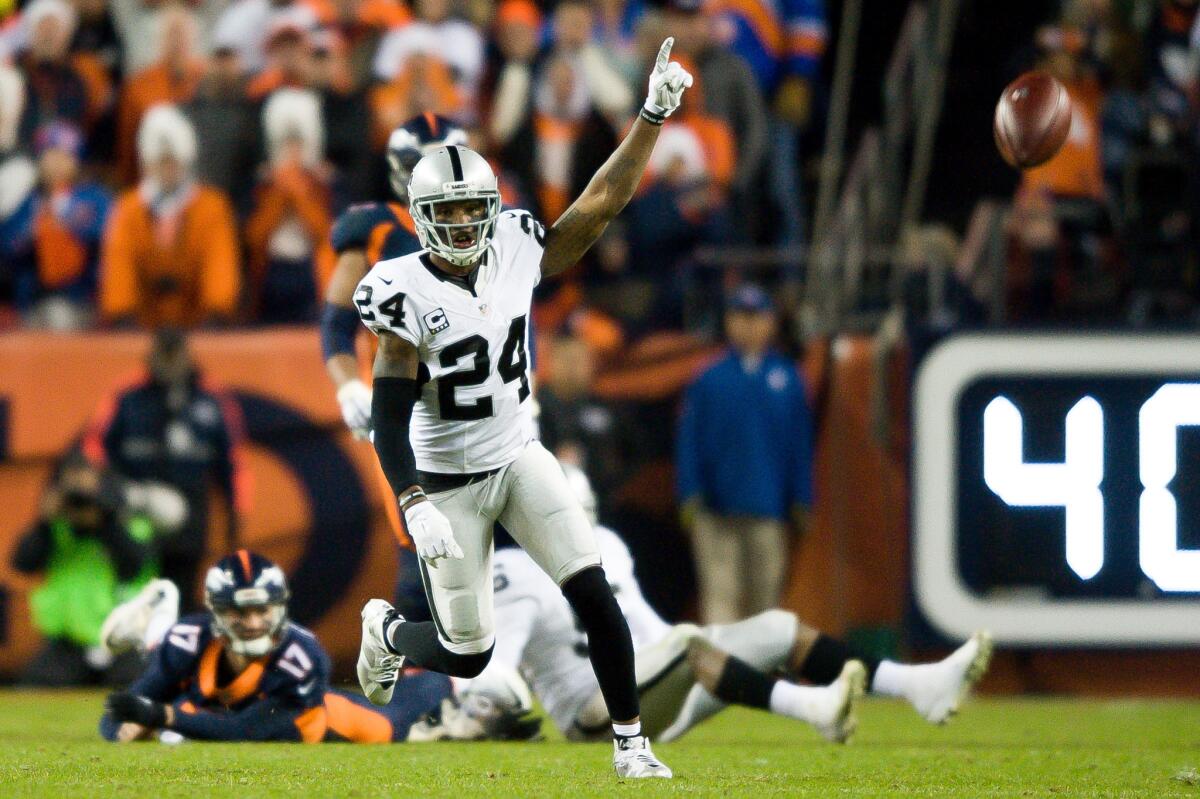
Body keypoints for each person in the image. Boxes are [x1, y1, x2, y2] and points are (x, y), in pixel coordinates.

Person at [352, 38, 693, 780]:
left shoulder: (514, 246)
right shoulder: (400, 288)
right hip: (445, 477)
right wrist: (415, 505)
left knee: (592, 587)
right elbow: (388, 412)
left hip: (516, 454)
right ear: (419, 215)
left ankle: (632, 745)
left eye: (476, 210)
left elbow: (599, 204)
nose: (468, 226)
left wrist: (650, 117)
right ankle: (386, 630)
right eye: (450, 212)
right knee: (468, 652)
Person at [455, 466, 992, 744]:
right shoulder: (513, 572)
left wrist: (718, 650)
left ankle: (915, 686)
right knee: (690, 646)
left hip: (654, 690)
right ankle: (813, 708)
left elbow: (652, 629)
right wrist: (485, 699)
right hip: (593, 714)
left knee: (778, 628)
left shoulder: (610, 549)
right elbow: (493, 667)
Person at [321, 112, 468, 620]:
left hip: (477, 396)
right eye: (418, 166)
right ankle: (422, 678)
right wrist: (348, 388)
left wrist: (527, 389)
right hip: (407, 402)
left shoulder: (493, 223)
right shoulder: (377, 229)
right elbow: (336, 326)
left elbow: (520, 318)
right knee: (420, 535)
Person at [99, 550, 466, 743]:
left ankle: (460, 682)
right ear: (216, 610)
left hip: (315, 723)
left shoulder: (301, 656)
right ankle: (158, 625)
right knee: (179, 721)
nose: (253, 622)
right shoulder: (189, 641)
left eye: (262, 610)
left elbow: (245, 731)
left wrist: (160, 717)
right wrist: (124, 729)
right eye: (238, 611)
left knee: (389, 725)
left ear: (279, 608)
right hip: (217, 711)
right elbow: (114, 716)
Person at [82, 328, 249, 610]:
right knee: (135, 592)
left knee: (180, 593)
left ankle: (176, 650)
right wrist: (111, 494)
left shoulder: (211, 398)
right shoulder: (127, 395)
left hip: (191, 510)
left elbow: (232, 461)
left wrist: (236, 512)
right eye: (164, 356)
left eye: (175, 357)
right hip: (135, 508)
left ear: (187, 356)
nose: (169, 366)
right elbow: (95, 447)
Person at [677, 283, 812, 623]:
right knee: (720, 599)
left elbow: (799, 442)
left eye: (757, 317)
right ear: (728, 322)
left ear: (771, 323)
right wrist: (690, 492)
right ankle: (721, 674)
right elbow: (689, 439)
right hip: (716, 509)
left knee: (766, 602)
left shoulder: (788, 378)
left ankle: (758, 674)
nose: (748, 325)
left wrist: (802, 496)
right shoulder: (709, 378)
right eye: (740, 316)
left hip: (768, 507)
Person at [11, 453, 163, 686]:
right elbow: (22, 564)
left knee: (137, 688)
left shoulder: (133, 526)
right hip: (69, 644)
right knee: (35, 688)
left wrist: (104, 521)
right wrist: (44, 522)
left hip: (125, 642)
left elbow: (133, 566)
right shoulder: (56, 531)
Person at [98, 104, 241, 328]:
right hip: (141, 327)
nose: (167, 169)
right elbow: (118, 267)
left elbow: (220, 267)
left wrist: (216, 312)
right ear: (147, 163)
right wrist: (122, 315)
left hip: (198, 325)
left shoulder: (211, 208)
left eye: (173, 161)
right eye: (160, 162)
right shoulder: (128, 209)